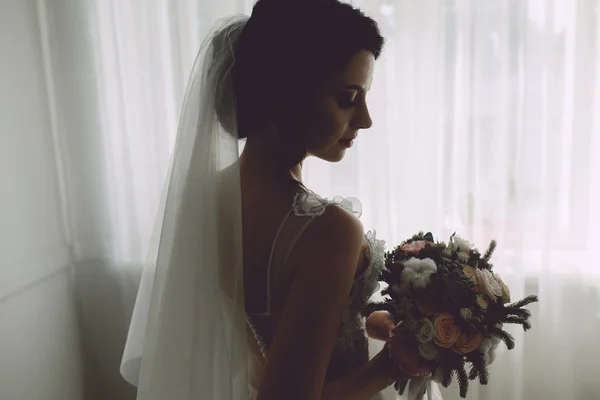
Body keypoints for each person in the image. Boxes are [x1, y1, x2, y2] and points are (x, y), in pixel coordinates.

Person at [120, 1, 428, 399]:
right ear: (291, 96)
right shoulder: (327, 230)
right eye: (348, 97)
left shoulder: (206, 201)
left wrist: (374, 320)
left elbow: (278, 324)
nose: (366, 119)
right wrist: (399, 361)